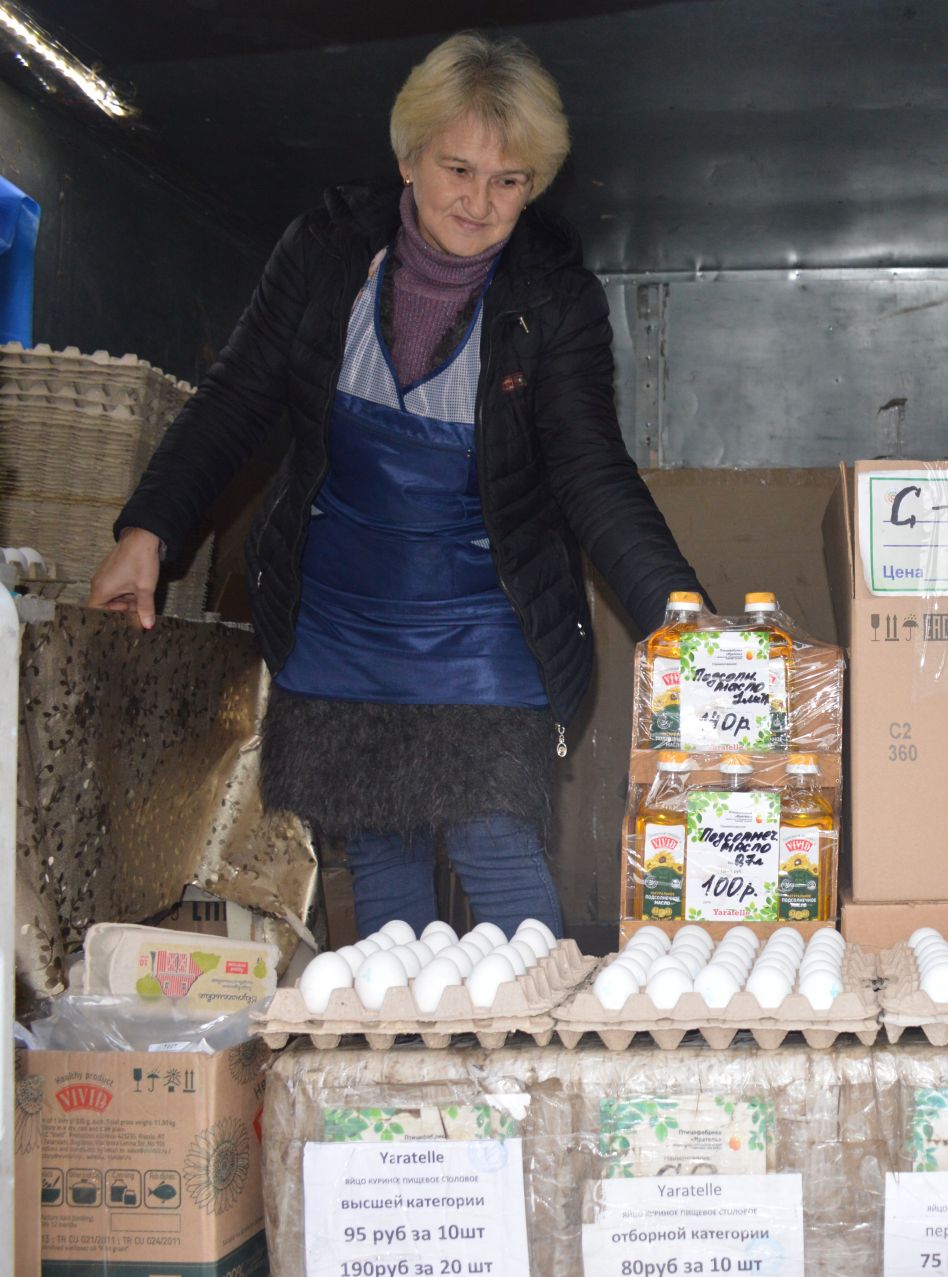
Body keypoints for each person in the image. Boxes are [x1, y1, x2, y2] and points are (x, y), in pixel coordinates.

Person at [90, 32, 702, 938]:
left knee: (496, 842)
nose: (481, 202)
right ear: (408, 157)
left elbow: (589, 468)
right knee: (378, 855)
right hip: (341, 614)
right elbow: (238, 397)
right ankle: (398, 1073)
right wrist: (146, 530)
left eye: (510, 181)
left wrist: (681, 613)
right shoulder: (327, 252)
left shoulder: (552, 298)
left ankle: (537, 1062)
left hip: (486, 623)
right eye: (459, 168)